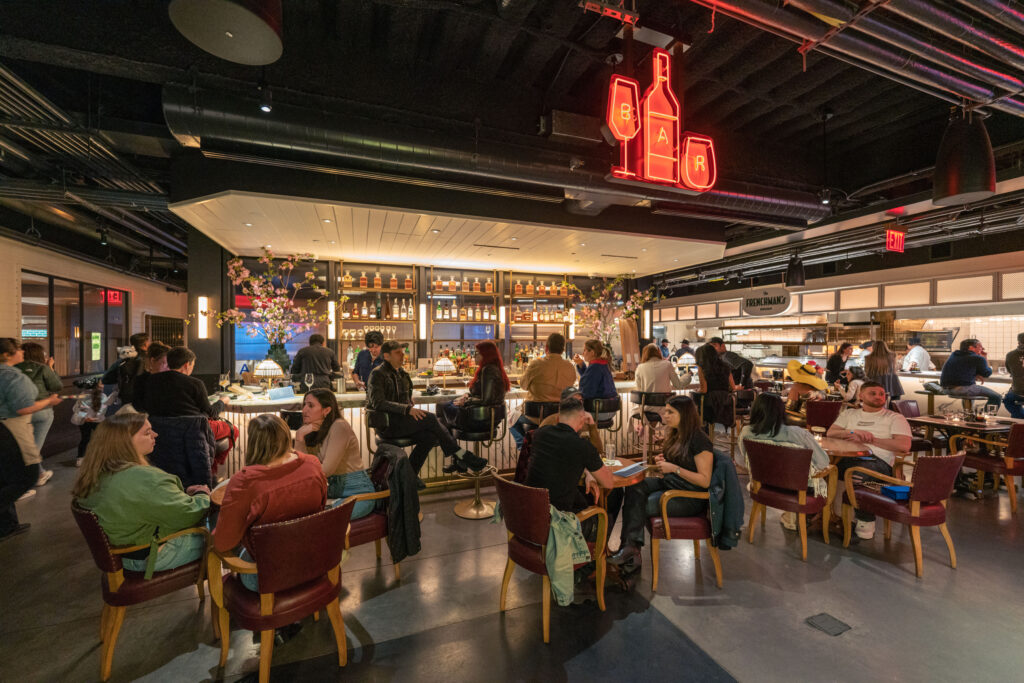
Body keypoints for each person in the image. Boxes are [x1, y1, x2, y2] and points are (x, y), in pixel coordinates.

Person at [73, 412, 210, 576]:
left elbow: (144, 502)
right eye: (147, 432)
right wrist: (202, 494)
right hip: (152, 555)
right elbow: (190, 514)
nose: (155, 434)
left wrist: (181, 493)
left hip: (124, 553)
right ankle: (241, 580)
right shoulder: (144, 478)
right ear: (124, 442)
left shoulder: (96, 474)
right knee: (225, 531)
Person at [212, 414, 327, 591]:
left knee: (214, 540)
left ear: (254, 443)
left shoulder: (245, 482)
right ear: (286, 436)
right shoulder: (312, 464)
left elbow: (223, 543)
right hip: (315, 562)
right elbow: (320, 507)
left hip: (265, 576)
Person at [608, 395, 714, 568]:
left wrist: (674, 468)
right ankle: (630, 547)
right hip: (671, 483)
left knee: (640, 503)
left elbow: (704, 480)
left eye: (670, 412)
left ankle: (630, 548)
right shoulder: (676, 434)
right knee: (635, 484)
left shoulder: (699, 440)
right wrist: (665, 460)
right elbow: (680, 461)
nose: (664, 416)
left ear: (684, 414)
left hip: (689, 497)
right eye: (665, 411)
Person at [366, 340, 485, 480]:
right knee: (431, 418)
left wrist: (408, 402)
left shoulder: (402, 374)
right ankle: (461, 455)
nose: (402, 356)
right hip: (387, 425)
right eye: (398, 353)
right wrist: (406, 409)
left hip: (400, 421)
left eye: (402, 352)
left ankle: (409, 476)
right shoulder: (377, 374)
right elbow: (378, 403)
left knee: (431, 436)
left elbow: (400, 398)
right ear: (386, 356)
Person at [826, 381, 912, 540]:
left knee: (857, 474)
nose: (878, 397)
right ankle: (823, 515)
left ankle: (865, 520)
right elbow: (831, 433)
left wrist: (871, 440)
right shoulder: (850, 414)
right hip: (846, 457)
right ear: (861, 396)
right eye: (873, 393)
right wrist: (853, 431)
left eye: (881, 394)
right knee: (819, 467)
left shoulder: (895, 417)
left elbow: (904, 446)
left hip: (878, 461)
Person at [0, 338, 64, 540]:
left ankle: (7, 526)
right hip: (11, 428)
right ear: (7, 355)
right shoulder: (11, 376)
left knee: (4, 477)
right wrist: (49, 401)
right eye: (18, 349)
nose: (21, 352)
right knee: (26, 475)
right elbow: (23, 407)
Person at [738, 394, 829, 530]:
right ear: (781, 410)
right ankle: (822, 518)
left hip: (764, 484)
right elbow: (823, 462)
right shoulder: (798, 434)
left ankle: (791, 516)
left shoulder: (746, 432)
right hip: (798, 490)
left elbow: (747, 458)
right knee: (830, 472)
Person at [526, 396, 614, 533]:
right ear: (581, 419)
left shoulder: (539, 434)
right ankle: (595, 554)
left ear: (558, 418)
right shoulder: (582, 447)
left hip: (529, 515)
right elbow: (608, 483)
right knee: (606, 518)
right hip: (558, 522)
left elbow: (561, 458)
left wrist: (587, 472)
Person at [294, 389, 375, 520]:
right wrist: (299, 437)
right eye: (304, 405)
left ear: (326, 410)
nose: (304, 410)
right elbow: (302, 466)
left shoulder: (339, 426)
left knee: (316, 521)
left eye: (311, 405)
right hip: (331, 495)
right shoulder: (312, 430)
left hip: (358, 496)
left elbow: (325, 471)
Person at [438, 341, 509, 472]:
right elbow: (484, 395)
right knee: (443, 412)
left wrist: (466, 402)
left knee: (442, 412)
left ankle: (461, 458)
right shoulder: (492, 368)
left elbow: (486, 400)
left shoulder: (489, 370)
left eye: (477, 353)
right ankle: (462, 458)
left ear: (485, 355)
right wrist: (467, 396)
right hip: (486, 417)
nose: (474, 356)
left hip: (481, 419)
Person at [510, 332, 577, 449]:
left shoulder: (536, 364)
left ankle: (527, 449)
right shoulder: (570, 366)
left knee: (511, 417)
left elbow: (524, 386)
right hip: (560, 417)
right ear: (562, 349)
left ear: (546, 348)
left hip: (535, 417)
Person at [135, 346, 230, 418]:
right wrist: (222, 401)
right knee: (233, 429)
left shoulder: (150, 380)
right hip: (193, 432)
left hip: (160, 432)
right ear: (187, 365)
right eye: (192, 365)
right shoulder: (195, 383)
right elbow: (211, 413)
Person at [15, 342, 61, 486]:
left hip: (20, 411)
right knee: (34, 447)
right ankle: (30, 478)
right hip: (42, 410)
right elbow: (57, 386)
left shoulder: (13, 369)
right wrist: (51, 368)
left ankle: (39, 473)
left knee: (28, 445)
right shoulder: (43, 368)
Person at [538, 386, 604, 452]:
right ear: (563, 403)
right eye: (574, 401)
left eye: (580, 400)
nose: (579, 404)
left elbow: (599, 450)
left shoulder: (586, 421)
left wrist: (592, 424)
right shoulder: (549, 422)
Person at [940, 338, 1000, 408]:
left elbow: (962, 368)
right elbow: (987, 373)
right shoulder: (978, 358)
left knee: (970, 389)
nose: (983, 349)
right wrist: (985, 357)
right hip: (962, 389)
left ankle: (969, 414)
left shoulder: (954, 355)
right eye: (980, 346)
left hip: (945, 389)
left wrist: (975, 375)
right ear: (971, 347)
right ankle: (983, 417)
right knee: (997, 397)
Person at [72, 378, 117, 467]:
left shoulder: (94, 395)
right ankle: (88, 458)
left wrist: (85, 417)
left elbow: (76, 408)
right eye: (101, 384)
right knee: (92, 439)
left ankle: (87, 458)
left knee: (91, 439)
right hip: (91, 420)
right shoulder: (94, 395)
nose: (103, 386)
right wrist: (85, 417)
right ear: (96, 386)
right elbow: (81, 407)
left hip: (91, 421)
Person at [695, 342, 736, 427]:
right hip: (726, 402)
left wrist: (696, 390)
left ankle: (703, 434)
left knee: (694, 401)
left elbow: (704, 389)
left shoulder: (702, 367)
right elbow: (733, 387)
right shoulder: (726, 366)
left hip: (710, 403)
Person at [127, 341, 170, 412]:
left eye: (170, 364)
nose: (168, 368)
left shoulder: (171, 380)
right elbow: (138, 405)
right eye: (164, 363)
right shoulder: (141, 380)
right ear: (153, 361)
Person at [115, 333, 150, 405]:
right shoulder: (143, 358)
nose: (150, 343)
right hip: (137, 395)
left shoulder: (128, 356)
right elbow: (140, 377)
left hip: (126, 393)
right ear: (145, 344)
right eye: (149, 341)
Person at [1003, 333, 1024, 419]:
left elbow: (1010, 371)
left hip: (1017, 393)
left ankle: (1020, 420)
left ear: (1018, 342)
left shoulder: (1010, 355)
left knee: (1007, 400)